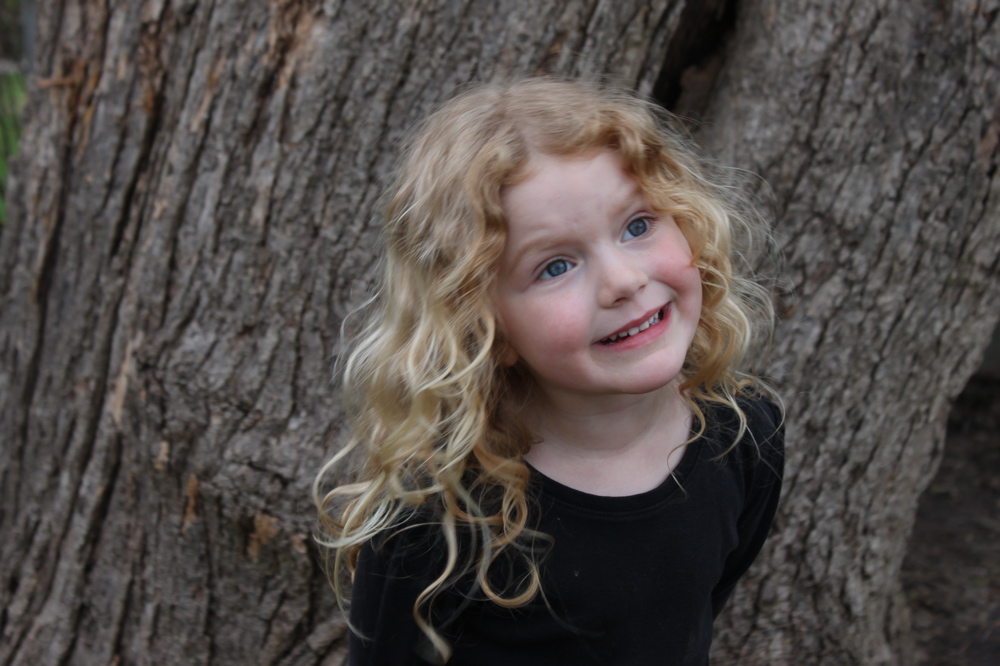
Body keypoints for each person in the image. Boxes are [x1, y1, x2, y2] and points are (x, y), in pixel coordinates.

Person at [314, 77, 785, 666]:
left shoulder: (745, 438)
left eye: (638, 226)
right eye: (556, 266)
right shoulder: (439, 517)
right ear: (486, 327)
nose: (624, 281)